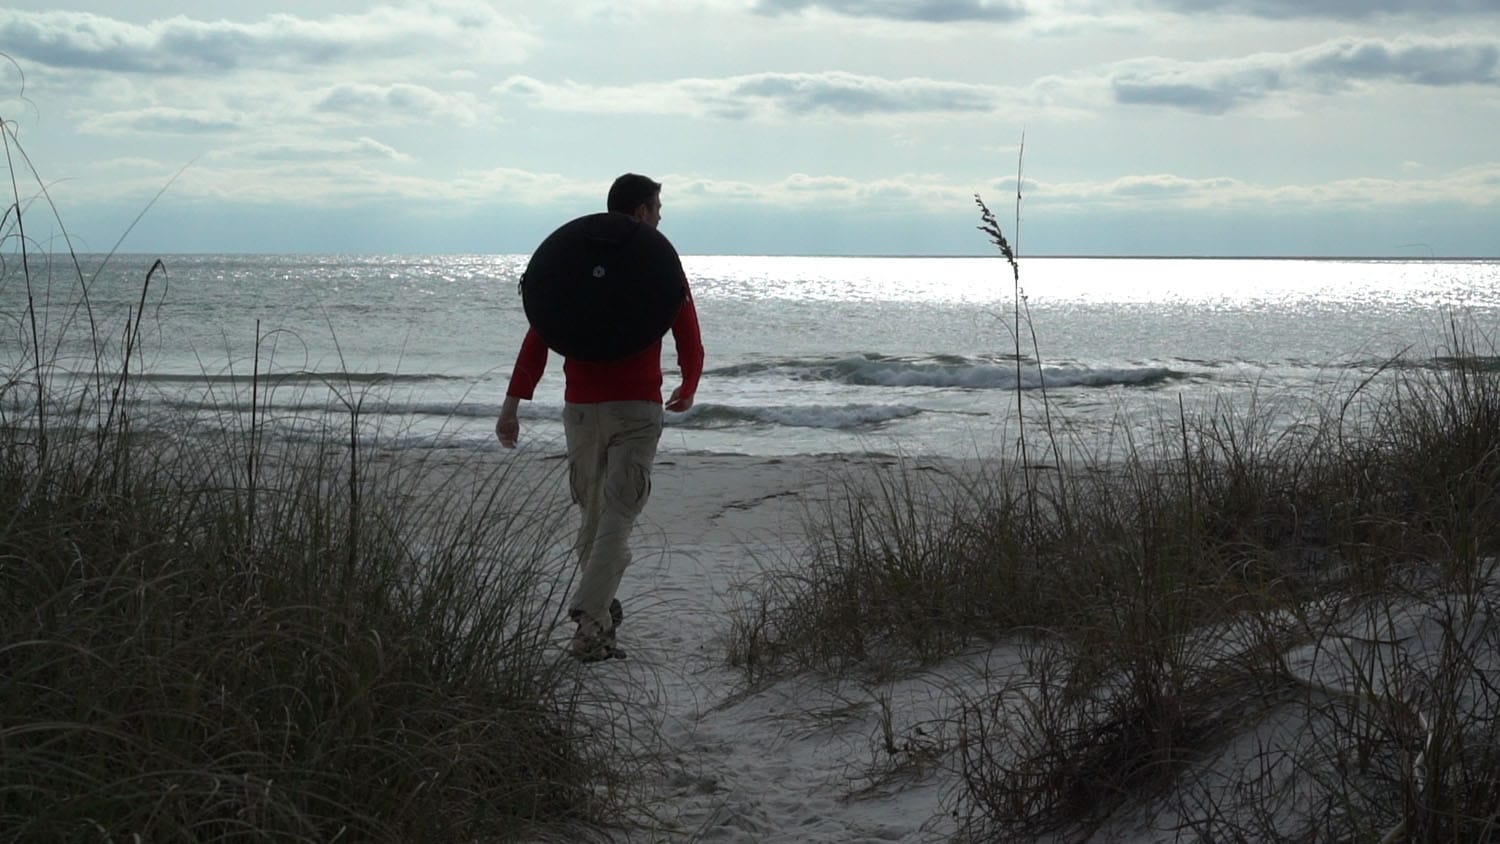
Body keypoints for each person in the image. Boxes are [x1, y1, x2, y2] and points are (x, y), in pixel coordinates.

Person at [496, 173, 704, 662]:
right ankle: (591, 619)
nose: (660, 217)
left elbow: (540, 333)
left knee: (594, 515)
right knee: (616, 516)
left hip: (581, 409)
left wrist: (511, 405)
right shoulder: (653, 260)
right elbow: (688, 331)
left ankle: (599, 620)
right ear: (639, 214)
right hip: (635, 408)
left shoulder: (574, 262)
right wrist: (688, 384)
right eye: (656, 209)